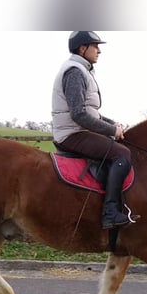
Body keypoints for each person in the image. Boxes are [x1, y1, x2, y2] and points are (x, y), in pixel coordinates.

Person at [51, 31, 136, 230]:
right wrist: (110, 130)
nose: (99, 51)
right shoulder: (75, 72)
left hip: (77, 130)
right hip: (71, 133)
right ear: (83, 49)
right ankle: (110, 212)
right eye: (95, 46)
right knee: (122, 154)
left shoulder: (83, 70)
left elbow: (92, 113)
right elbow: (79, 115)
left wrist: (113, 125)